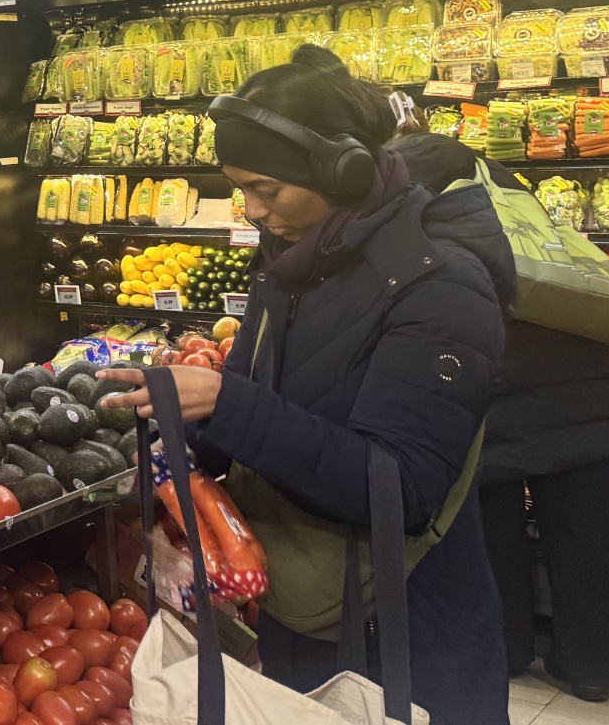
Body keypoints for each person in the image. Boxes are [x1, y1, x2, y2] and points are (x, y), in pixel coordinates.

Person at [100, 46, 510, 724]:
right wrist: (191, 435)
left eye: (267, 187)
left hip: (408, 638)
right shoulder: (295, 266)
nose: (254, 209)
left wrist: (231, 404)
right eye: (241, 188)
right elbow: (279, 418)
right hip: (309, 622)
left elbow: (400, 487)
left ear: (341, 169)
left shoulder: (440, 286)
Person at [389, 131, 609, 702]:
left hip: (496, 393)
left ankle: (505, 646)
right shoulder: (514, 199)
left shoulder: (421, 214)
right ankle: (592, 665)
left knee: (491, 524)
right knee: (585, 532)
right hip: (583, 394)